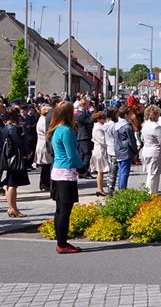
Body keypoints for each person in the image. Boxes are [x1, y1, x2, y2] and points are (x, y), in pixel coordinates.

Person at [47, 102, 85, 254]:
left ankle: (61, 241)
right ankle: (62, 244)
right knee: (65, 211)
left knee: (59, 210)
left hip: (57, 171)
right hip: (66, 173)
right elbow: (72, 154)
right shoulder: (67, 131)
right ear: (68, 114)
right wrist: (82, 166)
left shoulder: (56, 129)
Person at [2, 108, 30, 218]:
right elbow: (18, 141)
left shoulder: (6, 127)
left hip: (10, 158)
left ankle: (11, 208)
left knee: (10, 183)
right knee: (13, 184)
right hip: (15, 158)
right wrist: (28, 151)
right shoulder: (12, 128)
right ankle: (13, 209)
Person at [140, 105, 161, 194]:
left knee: (150, 173)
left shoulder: (145, 125)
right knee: (154, 175)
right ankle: (151, 193)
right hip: (155, 151)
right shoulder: (157, 127)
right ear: (155, 114)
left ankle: (150, 192)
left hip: (146, 150)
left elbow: (142, 138)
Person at [113, 107, 138, 190]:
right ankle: (122, 191)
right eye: (129, 114)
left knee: (120, 172)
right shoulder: (126, 127)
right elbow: (132, 141)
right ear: (125, 115)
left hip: (118, 150)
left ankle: (120, 189)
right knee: (124, 173)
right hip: (126, 151)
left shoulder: (115, 125)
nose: (130, 116)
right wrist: (135, 151)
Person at [90, 111, 109, 197]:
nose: (104, 120)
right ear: (98, 119)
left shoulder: (100, 126)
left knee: (101, 171)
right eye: (103, 118)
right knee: (100, 171)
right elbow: (102, 140)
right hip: (99, 150)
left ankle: (100, 188)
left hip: (100, 150)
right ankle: (100, 189)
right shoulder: (97, 128)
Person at [35, 104, 53, 191]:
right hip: (44, 145)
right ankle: (44, 184)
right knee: (46, 166)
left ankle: (45, 184)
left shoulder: (42, 119)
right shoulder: (43, 121)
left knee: (46, 166)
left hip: (42, 144)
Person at [75, 99, 94, 179]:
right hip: (84, 136)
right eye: (87, 105)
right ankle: (84, 171)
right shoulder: (80, 115)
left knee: (82, 154)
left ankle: (81, 172)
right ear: (83, 105)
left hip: (82, 136)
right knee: (87, 154)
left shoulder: (80, 113)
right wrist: (92, 113)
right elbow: (90, 121)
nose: (88, 107)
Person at [103, 108, 119, 194]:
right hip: (114, 149)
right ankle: (111, 190)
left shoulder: (106, 125)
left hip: (109, 148)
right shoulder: (114, 125)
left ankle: (109, 186)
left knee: (110, 171)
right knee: (114, 171)